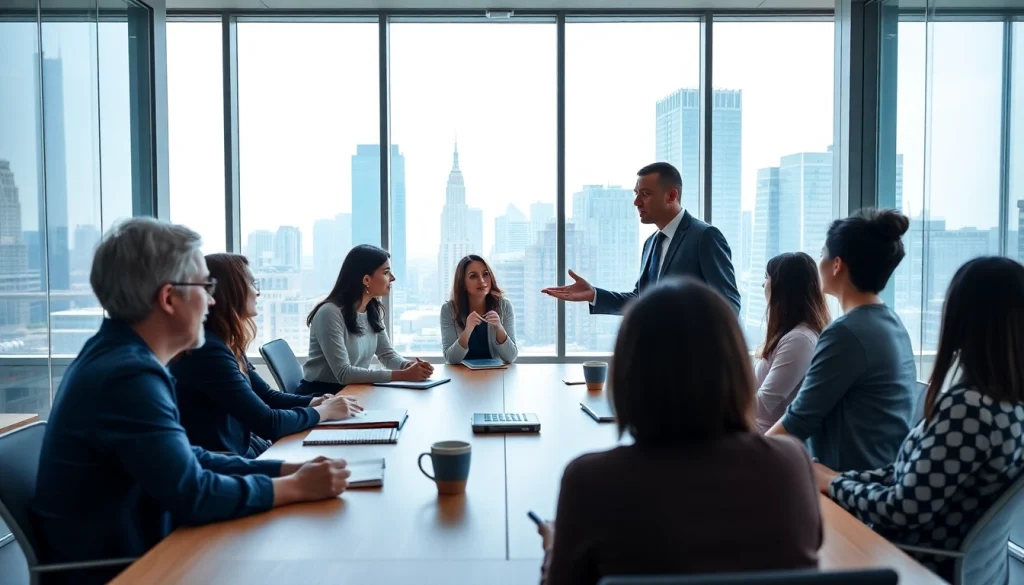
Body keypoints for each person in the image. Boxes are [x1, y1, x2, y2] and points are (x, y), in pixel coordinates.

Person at [31, 218, 351, 585]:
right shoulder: (128, 376)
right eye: (205, 286)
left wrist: (285, 470)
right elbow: (193, 494)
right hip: (131, 568)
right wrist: (296, 487)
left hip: (149, 549)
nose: (213, 300)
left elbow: (188, 460)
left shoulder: (118, 356)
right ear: (169, 298)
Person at [537, 278, 821, 585]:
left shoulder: (590, 481)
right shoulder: (790, 465)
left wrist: (554, 547)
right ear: (735, 365)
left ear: (629, 372)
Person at [814, 257, 1024, 581]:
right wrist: (836, 479)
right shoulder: (1007, 404)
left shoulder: (969, 410)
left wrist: (833, 483)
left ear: (964, 318)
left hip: (913, 567)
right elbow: (912, 478)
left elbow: (903, 508)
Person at [767, 208, 917, 472]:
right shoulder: (892, 324)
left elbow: (798, 421)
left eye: (823, 254)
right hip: (878, 476)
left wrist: (743, 460)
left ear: (837, 265)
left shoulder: (846, 333)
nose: (819, 262)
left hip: (845, 486)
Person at [171, 253, 363, 458]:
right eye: (253, 284)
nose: (257, 293)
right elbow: (267, 423)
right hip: (226, 465)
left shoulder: (227, 344)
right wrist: (324, 411)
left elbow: (267, 397)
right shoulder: (208, 351)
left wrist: (314, 402)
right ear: (231, 291)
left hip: (243, 452)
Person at [541, 162, 740, 316]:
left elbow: (729, 306)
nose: (636, 202)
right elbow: (640, 300)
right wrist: (594, 294)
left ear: (671, 195)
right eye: (636, 194)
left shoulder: (705, 237)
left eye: (645, 194)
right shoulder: (651, 243)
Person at [298, 244, 433, 393]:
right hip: (323, 395)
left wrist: (408, 366)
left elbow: (386, 354)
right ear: (366, 280)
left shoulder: (371, 308)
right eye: (386, 272)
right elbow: (344, 373)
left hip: (353, 390)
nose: (392, 278)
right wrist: (403, 375)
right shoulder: (329, 313)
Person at [754, 252, 831, 433]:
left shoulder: (799, 340)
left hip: (768, 441)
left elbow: (765, 403)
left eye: (767, 278)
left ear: (783, 287)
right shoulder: (789, 334)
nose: (763, 284)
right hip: (756, 434)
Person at [440, 254, 518, 364]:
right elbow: (451, 359)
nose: (481, 280)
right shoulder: (448, 310)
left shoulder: (504, 306)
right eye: (473, 276)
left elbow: (511, 357)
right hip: (461, 376)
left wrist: (499, 328)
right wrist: (467, 330)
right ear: (462, 282)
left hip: (494, 375)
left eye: (485, 274)